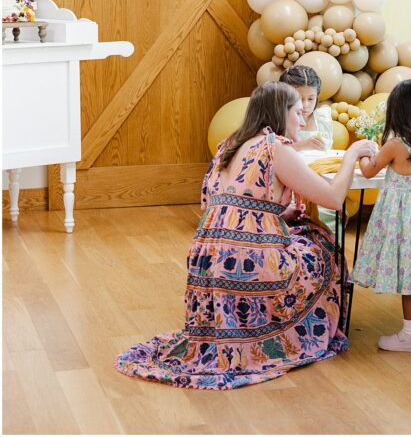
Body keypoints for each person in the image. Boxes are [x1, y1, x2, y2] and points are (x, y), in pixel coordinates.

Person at [115, 82, 376, 389]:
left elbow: (218, 205)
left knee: (299, 232)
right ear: (281, 113)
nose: (302, 122)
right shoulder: (275, 147)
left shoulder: (229, 145)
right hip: (246, 261)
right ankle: (292, 333)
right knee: (322, 247)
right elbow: (332, 198)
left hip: (207, 262)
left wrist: (276, 215)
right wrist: (352, 155)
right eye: (297, 112)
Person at [350, 79, 411, 353]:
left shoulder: (396, 144)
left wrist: (362, 153)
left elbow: (370, 170)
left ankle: (410, 334)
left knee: (409, 274)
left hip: (403, 222)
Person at [279, 65, 332, 152]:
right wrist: (300, 146)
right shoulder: (280, 121)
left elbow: (330, 149)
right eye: (299, 98)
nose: (305, 105)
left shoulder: (322, 118)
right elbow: (271, 151)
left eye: (311, 99)